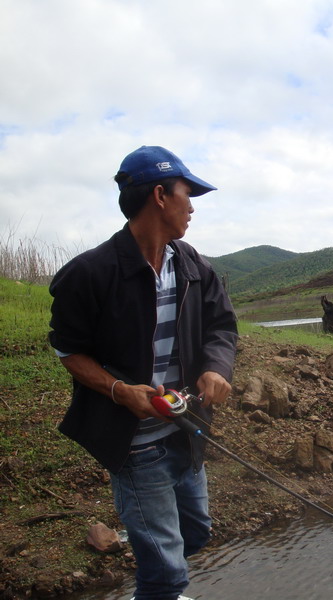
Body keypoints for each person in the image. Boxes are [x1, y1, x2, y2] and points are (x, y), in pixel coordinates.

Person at [49, 145, 238, 600]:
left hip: (186, 432)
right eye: (186, 194)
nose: (191, 207)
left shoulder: (193, 265)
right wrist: (119, 391)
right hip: (135, 447)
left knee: (196, 535)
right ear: (159, 195)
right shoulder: (91, 273)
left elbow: (221, 326)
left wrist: (215, 368)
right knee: (167, 571)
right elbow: (67, 350)